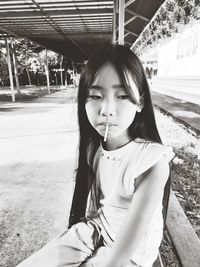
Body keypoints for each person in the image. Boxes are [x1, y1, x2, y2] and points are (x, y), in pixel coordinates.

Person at [17, 44, 174, 267]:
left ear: (140, 102)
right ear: (84, 101)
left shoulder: (151, 163)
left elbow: (123, 253)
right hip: (97, 229)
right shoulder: (93, 149)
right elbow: (98, 204)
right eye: (96, 96)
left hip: (131, 254)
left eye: (121, 96)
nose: (106, 109)